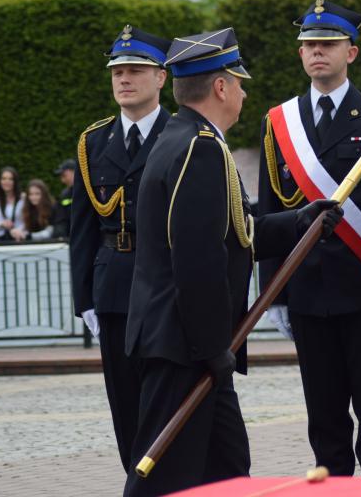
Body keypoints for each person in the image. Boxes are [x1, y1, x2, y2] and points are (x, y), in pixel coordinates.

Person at [124, 27, 341, 496]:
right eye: (238, 82)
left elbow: (234, 234)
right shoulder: (199, 149)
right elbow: (196, 261)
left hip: (185, 341)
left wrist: (298, 220)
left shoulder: (186, 139)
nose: (243, 93)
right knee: (164, 478)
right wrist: (210, 348)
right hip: (185, 346)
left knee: (227, 469)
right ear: (220, 87)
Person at [258, 0, 361, 476]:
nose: (317, 52)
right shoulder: (279, 122)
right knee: (323, 414)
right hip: (306, 290)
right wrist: (274, 294)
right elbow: (271, 211)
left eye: (328, 44)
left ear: (351, 52)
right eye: (309, 45)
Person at [69, 25, 173, 474]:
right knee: (125, 404)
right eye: (117, 72)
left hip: (166, 287)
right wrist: (84, 298)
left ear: (161, 78)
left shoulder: (182, 134)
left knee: (167, 399)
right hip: (113, 289)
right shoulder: (94, 142)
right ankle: (138, 482)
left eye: (135, 71)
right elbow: (82, 229)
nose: (124, 79)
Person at [0, 167, 24, 240]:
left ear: (15, 181)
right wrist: (1, 224)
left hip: (18, 239)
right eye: (4, 179)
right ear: (0, 181)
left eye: (10, 179)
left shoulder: (22, 198)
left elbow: (27, 223)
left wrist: (19, 230)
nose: (7, 182)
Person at [52, 159, 76, 237]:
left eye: (64, 176)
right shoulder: (64, 194)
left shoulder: (89, 191)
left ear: (74, 172)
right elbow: (61, 219)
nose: (62, 180)